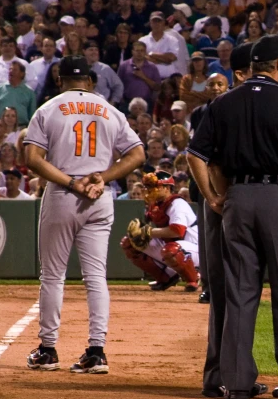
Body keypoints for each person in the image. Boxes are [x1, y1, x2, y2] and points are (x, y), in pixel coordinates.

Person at [187, 35, 278, 399]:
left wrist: (213, 195)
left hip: (238, 198)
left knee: (240, 292)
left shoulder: (222, 104)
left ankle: (237, 382)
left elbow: (195, 154)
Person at [24, 55, 144, 374]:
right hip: (99, 195)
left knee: (52, 275)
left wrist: (70, 182)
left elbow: (32, 158)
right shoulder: (111, 111)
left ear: (60, 80)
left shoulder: (48, 108)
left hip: (65, 193)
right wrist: (103, 177)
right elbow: (138, 154)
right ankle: (96, 351)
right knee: (96, 277)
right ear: (90, 81)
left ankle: (48, 350)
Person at [188, 43, 252, 317]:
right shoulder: (200, 113)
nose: (215, 88)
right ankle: (210, 287)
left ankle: (237, 289)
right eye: (211, 85)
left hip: (234, 180)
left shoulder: (237, 106)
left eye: (219, 84)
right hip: (209, 181)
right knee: (209, 239)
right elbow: (196, 151)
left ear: (229, 84)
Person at [120, 171, 201, 291]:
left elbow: (177, 231)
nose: (150, 189)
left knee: (171, 249)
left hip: (196, 249)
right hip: (175, 246)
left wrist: (148, 231)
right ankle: (166, 277)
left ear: (167, 188)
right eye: (149, 186)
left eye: (154, 186)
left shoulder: (177, 203)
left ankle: (193, 279)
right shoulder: (155, 205)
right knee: (130, 243)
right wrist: (141, 233)